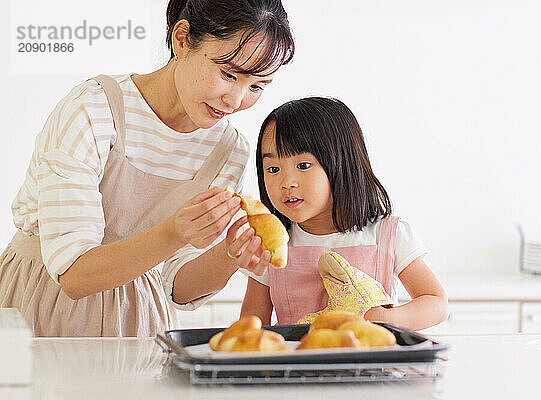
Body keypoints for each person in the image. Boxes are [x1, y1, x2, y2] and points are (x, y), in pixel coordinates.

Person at [0, 0, 294, 337]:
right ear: (182, 39)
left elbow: (178, 287)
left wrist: (230, 254)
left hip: (139, 318)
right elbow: (74, 275)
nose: (236, 100)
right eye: (228, 74)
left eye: (256, 85)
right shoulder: (94, 109)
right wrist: (174, 232)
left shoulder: (229, 149)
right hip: (39, 303)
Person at [239, 97, 449, 330]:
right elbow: (251, 323)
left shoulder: (387, 233)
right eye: (273, 169)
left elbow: (436, 303)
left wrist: (386, 320)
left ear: (343, 163)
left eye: (303, 165)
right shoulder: (270, 245)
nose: (286, 182)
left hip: (371, 364)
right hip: (296, 365)